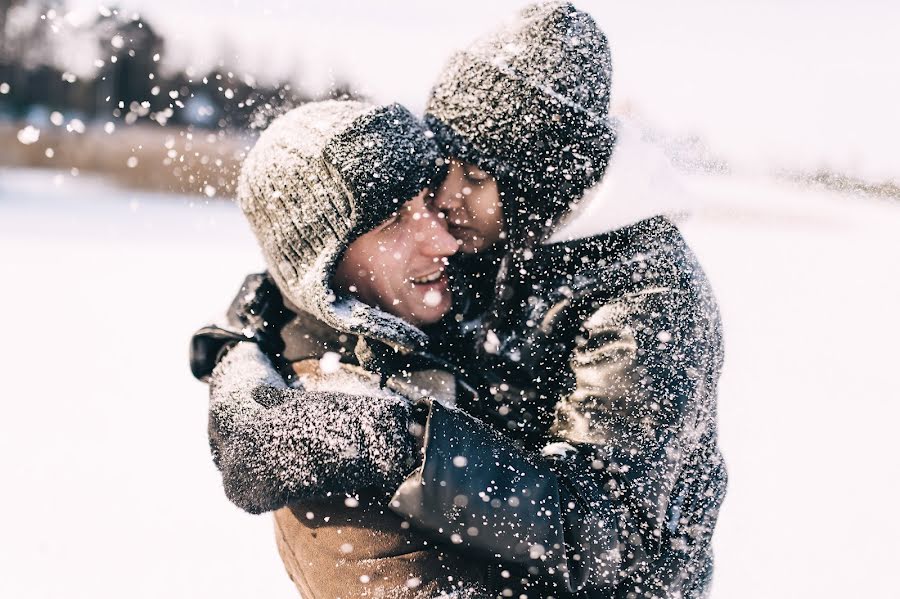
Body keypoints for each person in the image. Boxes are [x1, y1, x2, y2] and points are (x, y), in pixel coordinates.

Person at [192, 3, 727, 598]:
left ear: (539, 182)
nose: (444, 203)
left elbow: (607, 539)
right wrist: (244, 366)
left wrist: (402, 443)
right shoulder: (494, 233)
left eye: (473, 177)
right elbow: (319, 279)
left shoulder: (646, 298)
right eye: (442, 168)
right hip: (491, 549)